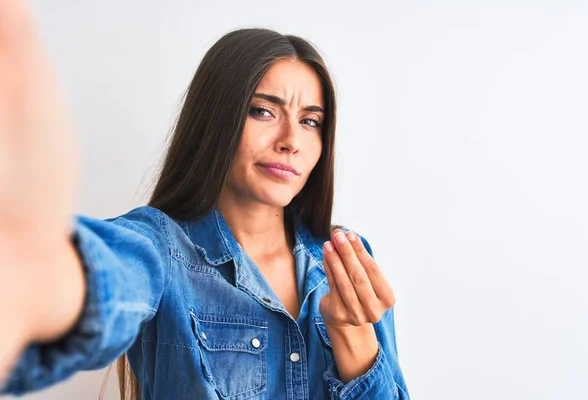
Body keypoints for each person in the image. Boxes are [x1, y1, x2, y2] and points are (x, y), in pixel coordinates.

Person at [0, 1, 409, 399]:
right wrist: (33, 278)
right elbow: (103, 278)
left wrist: (350, 332)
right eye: (264, 111)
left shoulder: (345, 259)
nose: (291, 142)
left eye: (309, 122)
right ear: (219, 119)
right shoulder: (160, 248)